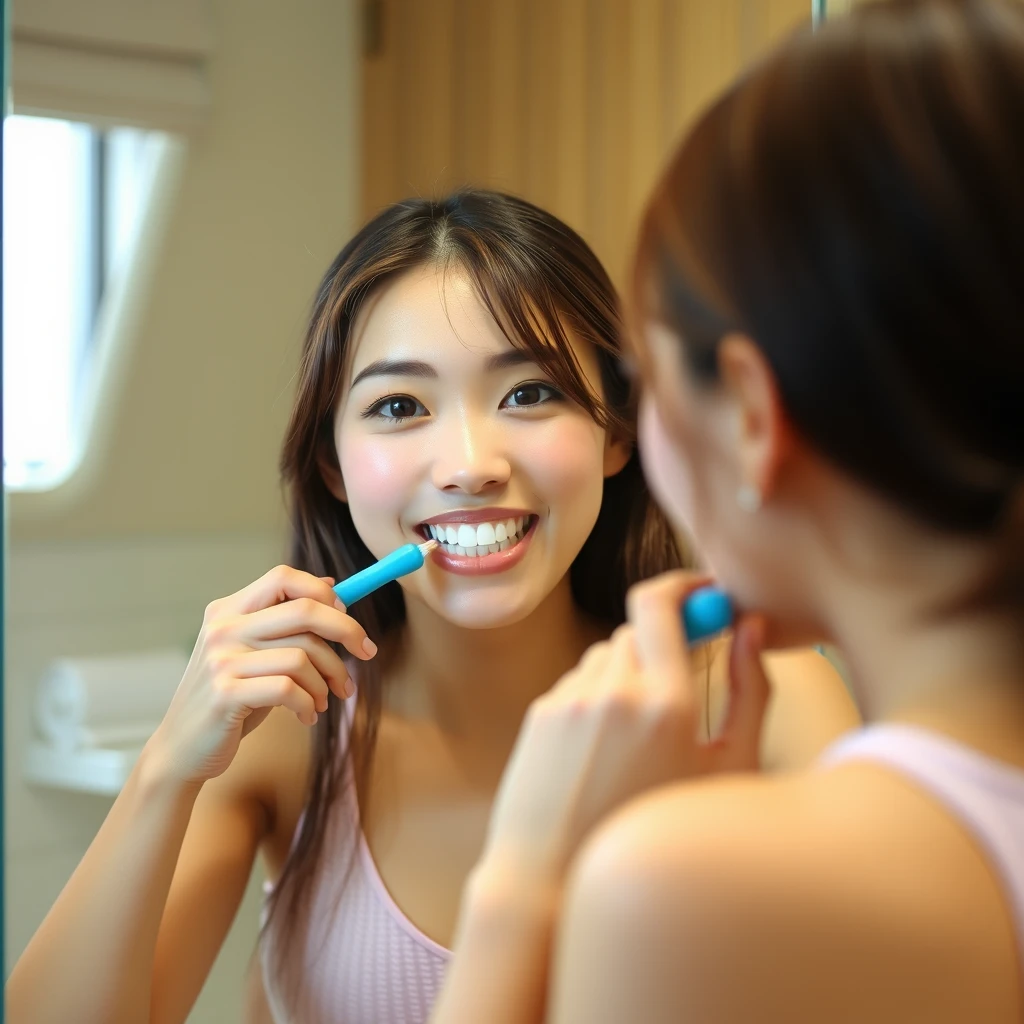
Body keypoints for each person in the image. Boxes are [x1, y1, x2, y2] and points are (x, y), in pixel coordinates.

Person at [5, 191, 857, 1024]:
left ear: (617, 433)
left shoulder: (764, 696)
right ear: (333, 467)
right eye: (399, 407)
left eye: (529, 393)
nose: (470, 464)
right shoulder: (287, 737)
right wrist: (165, 770)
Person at [430, 4, 1024, 1023]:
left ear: (750, 414)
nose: (470, 464)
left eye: (643, 382)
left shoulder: (678, 882)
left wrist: (524, 875)